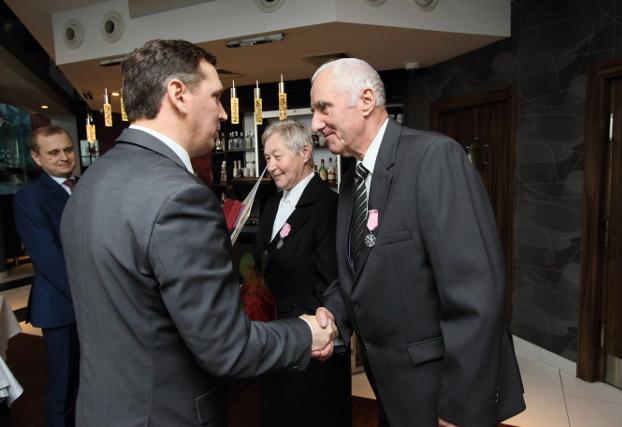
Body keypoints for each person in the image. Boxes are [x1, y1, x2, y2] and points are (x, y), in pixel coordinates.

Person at [60, 39, 335, 427]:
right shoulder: (180, 196)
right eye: (216, 97)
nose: (223, 112)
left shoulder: (91, 181)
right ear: (178, 94)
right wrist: (306, 334)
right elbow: (227, 348)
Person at [311, 58, 526, 427]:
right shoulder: (352, 180)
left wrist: (460, 406)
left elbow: (476, 295)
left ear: (366, 101)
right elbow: (358, 271)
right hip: (391, 389)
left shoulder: (434, 158)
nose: (315, 124)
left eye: (323, 108)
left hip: (439, 394)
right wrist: (331, 314)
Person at [254, 120, 351, 427]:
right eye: (267, 158)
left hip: (312, 341)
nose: (270, 166)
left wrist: (316, 333)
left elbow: (333, 281)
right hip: (274, 337)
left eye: (277, 156)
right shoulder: (270, 205)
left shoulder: (329, 206)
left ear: (306, 152)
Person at [14, 125, 80, 427]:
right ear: (36, 157)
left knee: (90, 381)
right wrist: (91, 296)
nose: (64, 157)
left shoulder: (84, 185)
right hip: (61, 305)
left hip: (93, 303)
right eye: (53, 152)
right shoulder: (29, 197)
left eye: (68, 149)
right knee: (63, 387)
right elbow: (49, 257)